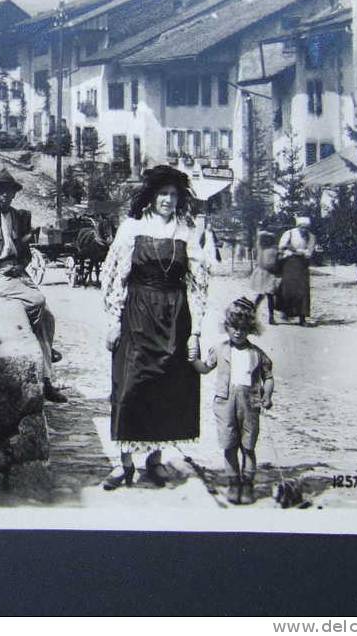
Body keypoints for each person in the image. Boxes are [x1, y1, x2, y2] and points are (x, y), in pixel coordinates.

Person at [100, 165, 209, 489]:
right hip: (136, 316)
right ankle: (124, 464)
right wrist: (113, 322)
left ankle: (155, 460)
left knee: (166, 387)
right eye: (163, 193)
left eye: (174, 195)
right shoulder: (131, 229)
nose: (168, 200)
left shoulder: (186, 232)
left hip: (175, 318)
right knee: (129, 385)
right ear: (151, 196)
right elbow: (113, 277)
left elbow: (199, 283)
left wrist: (197, 330)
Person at [0, 168, 68, 403]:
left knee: (48, 317)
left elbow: (24, 250)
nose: (5, 196)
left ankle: (46, 372)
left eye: (9, 192)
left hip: (16, 273)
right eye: (0, 192)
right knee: (37, 302)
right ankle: (44, 367)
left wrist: (23, 261)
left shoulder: (18, 217)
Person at [192, 297, 274, 505]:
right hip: (225, 405)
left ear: (251, 329)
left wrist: (267, 396)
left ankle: (247, 483)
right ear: (226, 327)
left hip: (250, 405)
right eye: (234, 327)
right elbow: (204, 368)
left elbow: (269, 377)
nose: (238, 332)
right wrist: (193, 359)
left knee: (248, 446)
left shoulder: (257, 354)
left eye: (243, 328)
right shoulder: (219, 350)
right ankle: (233, 482)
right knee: (229, 445)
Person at [278, 216, 316, 325]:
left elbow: (308, 253)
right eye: (302, 227)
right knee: (288, 289)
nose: (304, 230)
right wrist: (295, 251)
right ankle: (286, 312)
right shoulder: (289, 233)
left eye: (306, 228)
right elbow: (282, 247)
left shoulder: (311, 237)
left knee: (303, 291)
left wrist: (294, 250)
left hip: (303, 265)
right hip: (289, 264)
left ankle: (302, 317)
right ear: (298, 226)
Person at [250, 229, 281, 325]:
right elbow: (271, 264)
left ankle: (252, 313)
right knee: (270, 296)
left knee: (261, 295)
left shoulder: (260, 248)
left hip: (260, 273)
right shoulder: (273, 250)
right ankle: (271, 318)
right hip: (269, 274)